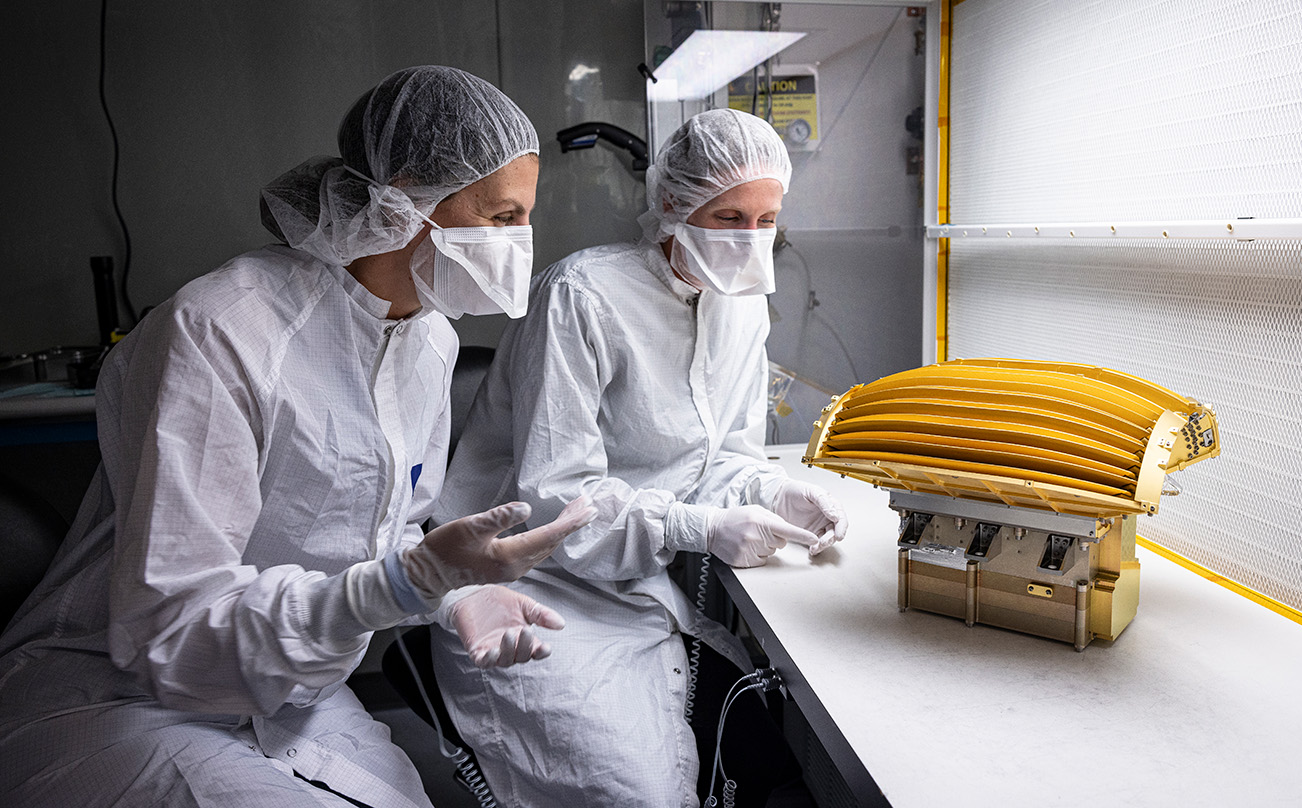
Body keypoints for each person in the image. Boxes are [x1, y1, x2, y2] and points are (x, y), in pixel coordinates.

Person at [0, 65, 595, 807]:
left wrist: (447, 596)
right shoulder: (224, 331)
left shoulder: (430, 341)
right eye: (502, 217)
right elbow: (170, 629)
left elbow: (383, 530)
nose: (520, 243)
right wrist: (403, 584)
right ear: (409, 195)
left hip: (289, 686)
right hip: (120, 693)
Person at [432, 108, 850, 807]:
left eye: (766, 221)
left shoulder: (741, 306)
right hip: (529, 587)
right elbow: (555, 500)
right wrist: (699, 530)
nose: (751, 243)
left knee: (743, 758)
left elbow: (719, 455)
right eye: (728, 218)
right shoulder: (582, 297)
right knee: (638, 793)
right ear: (671, 203)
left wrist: (772, 491)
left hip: (637, 586)